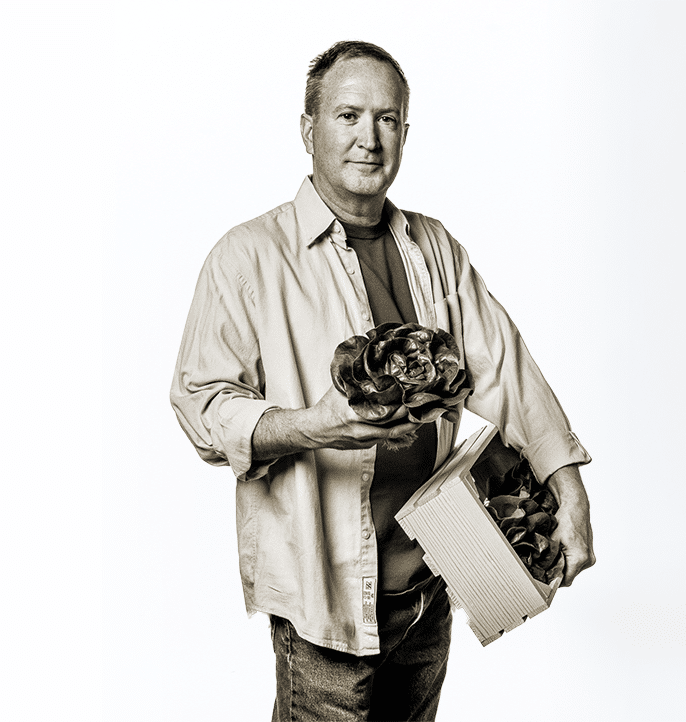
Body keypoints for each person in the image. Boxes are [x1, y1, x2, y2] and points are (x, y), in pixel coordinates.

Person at [169, 41, 595, 721]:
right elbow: (201, 407)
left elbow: (503, 364)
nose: (370, 138)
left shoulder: (433, 247)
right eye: (348, 115)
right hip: (325, 610)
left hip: (429, 590)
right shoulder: (247, 257)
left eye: (388, 119)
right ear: (309, 128)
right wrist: (319, 423)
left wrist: (569, 488)